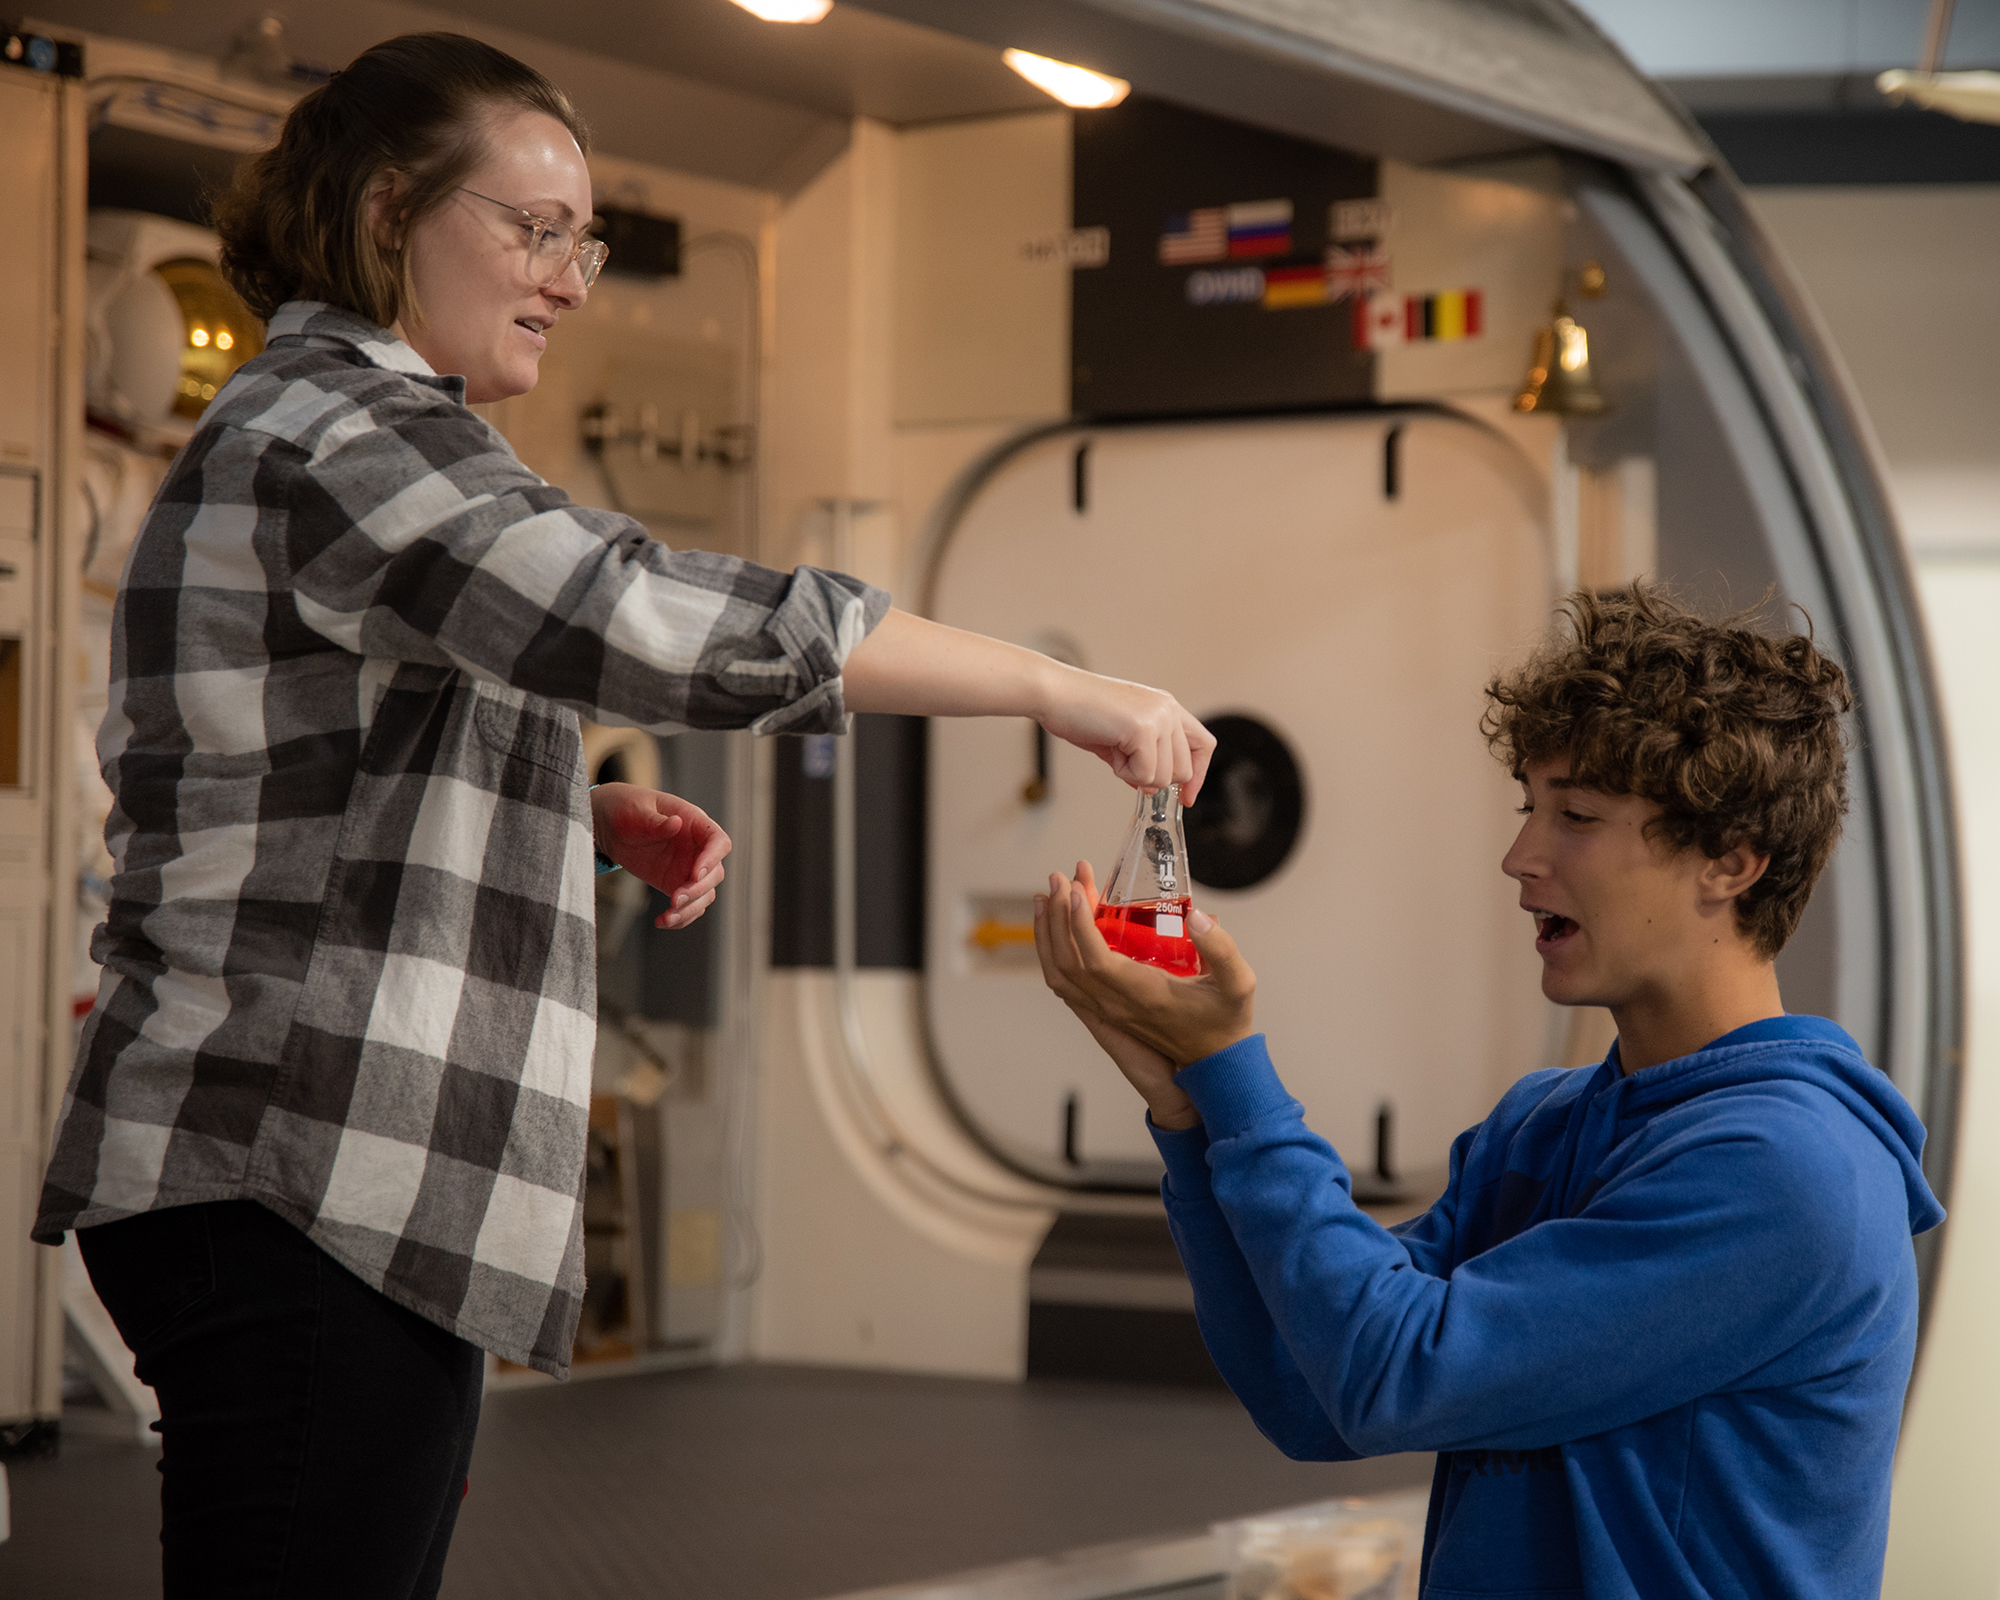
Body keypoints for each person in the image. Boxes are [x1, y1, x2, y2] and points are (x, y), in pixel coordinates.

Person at [33, 33, 1213, 1600]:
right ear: (388, 213)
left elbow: (301, 752)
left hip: (299, 1166)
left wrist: (573, 807)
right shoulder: (346, 433)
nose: (570, 280)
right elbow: (629, 610)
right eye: (535, 229)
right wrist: (1058, 689)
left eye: (582, 241)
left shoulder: (338, 431)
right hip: (295, 1163)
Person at [1034, 585, 1943, 1600]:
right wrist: (1189, 1107)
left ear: (1729, 862)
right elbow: (1311, 1390)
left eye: (1577, 817)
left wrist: (1237, 1076)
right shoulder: (1541, 1126)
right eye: (1529, 809)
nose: (1520, 858)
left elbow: (1396, 1374)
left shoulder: (1789, 1174)